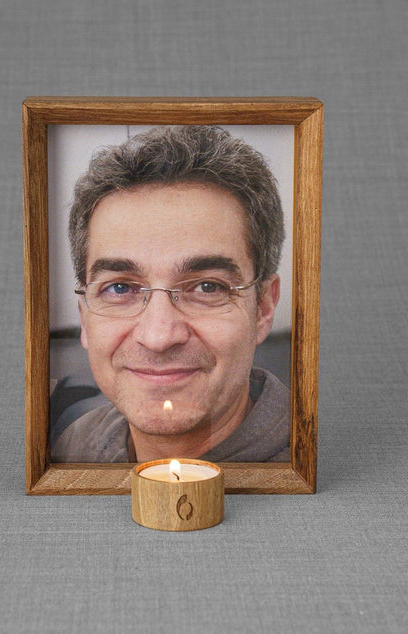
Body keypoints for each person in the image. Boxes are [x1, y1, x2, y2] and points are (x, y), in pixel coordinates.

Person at [51, 125, 290, 463]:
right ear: (85, 319)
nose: (159, 337)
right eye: (120, 288)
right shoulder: (72, 447)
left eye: (207, 287)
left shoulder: (316, 462)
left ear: (263, 308)